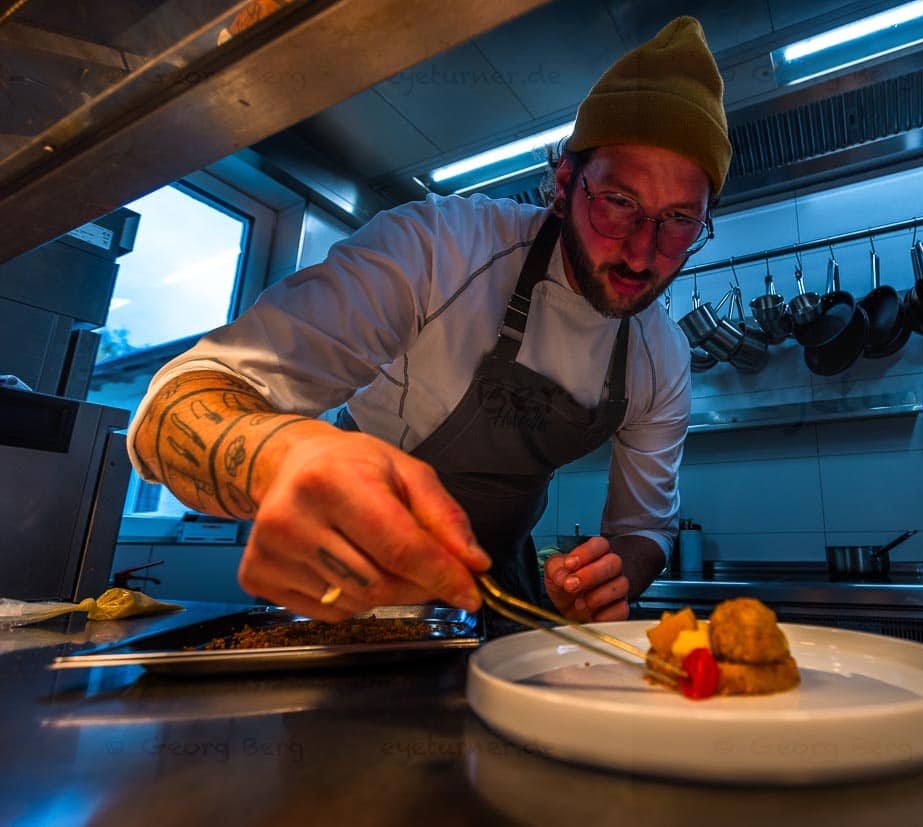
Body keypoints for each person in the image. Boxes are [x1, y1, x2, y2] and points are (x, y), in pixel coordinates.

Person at [127, 16, 731, 625]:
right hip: (354, 577)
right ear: (564, 183)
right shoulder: (440, 249)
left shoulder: (661, 356)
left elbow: (645, 528)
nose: (641, 253)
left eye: (679, 221)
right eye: (619, 203)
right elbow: (170, 409)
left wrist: (612, 576)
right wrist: (279, 459)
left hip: (505, 585)